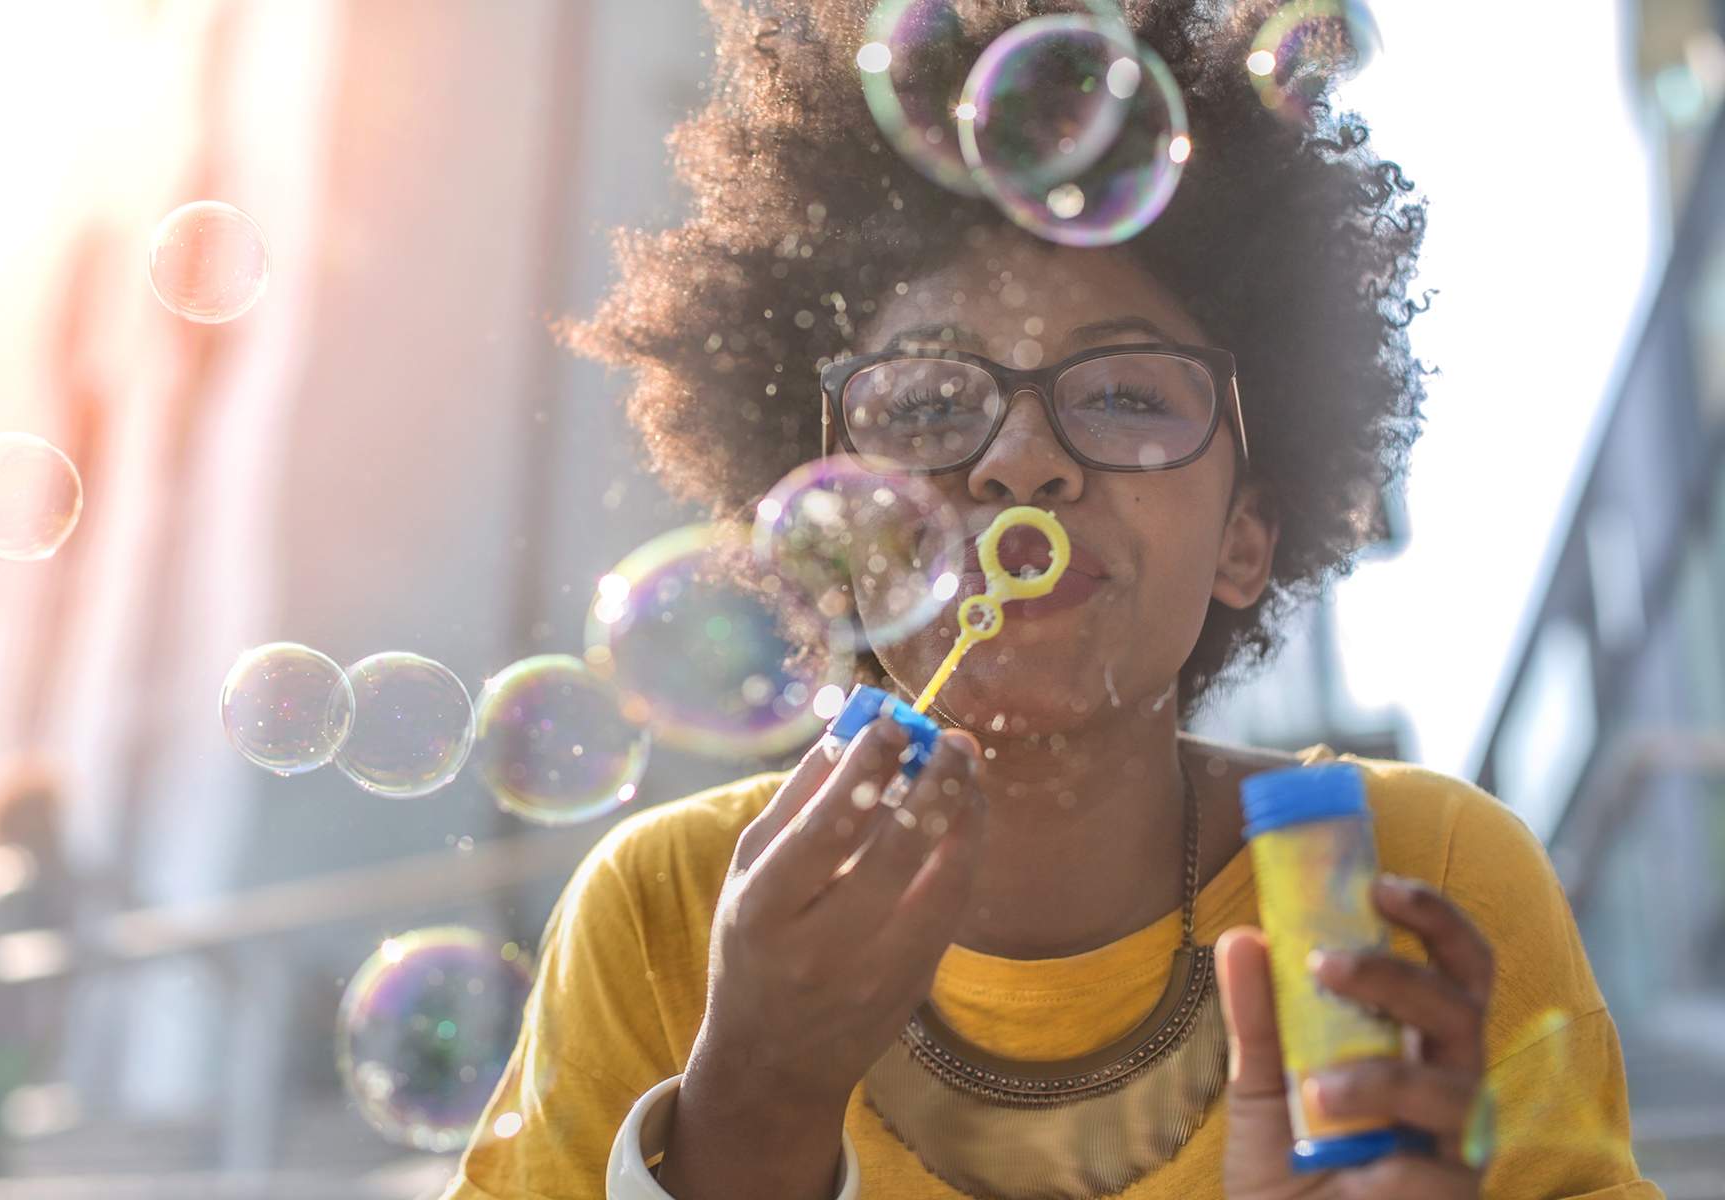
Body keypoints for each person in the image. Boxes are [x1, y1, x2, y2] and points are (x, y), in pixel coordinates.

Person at [442, 1, 1659, 1197]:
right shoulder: (672, 913)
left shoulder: (1410, 881)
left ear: (1244, 540)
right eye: (924, 407)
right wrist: (754, 1098)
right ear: (821, 526)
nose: (1020, 461)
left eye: (1128, 396)